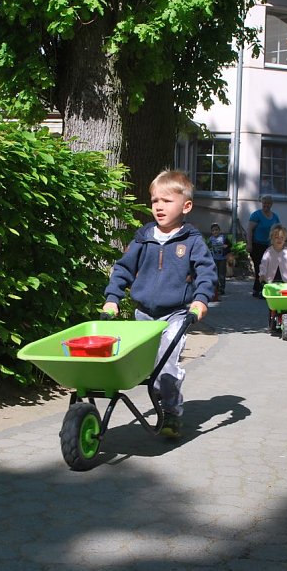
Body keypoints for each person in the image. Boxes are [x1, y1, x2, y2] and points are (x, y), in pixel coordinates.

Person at [103, 170, 216, 438]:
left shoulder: (192, 241)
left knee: (166, 364)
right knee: (148, 367)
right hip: (143, 315)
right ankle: (162, 397)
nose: (158, 207)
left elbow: (207, 273)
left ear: (186, 206)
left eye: (166, 201)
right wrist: (112, 298)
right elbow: (122, 269)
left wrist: (200, 301)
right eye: (155, 201)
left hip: (176, 315)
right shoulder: (144, 237)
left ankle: (172, 413)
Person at [247, 194, 280, 298]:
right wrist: (249, 244)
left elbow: (278, 231)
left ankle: (258, 289)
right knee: (260, 268)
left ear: (271, 204)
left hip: (269, 246)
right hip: (257, 245)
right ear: (262, 203)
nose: (266, 205)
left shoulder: (275, 217)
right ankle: (260, 290)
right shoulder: (256, 215)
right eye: (264, 203)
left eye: (268, 203)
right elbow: (249, 230)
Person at [208, 222, 230, 295]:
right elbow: (208, 247)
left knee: (222, 274)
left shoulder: (223, 238)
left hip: (222, 259)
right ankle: (216, 288)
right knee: (215, 274)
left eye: (216, 230)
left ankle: (222, 288)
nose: (215, 232)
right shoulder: (211, 239)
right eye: (213, 230)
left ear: (219, 230)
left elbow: (229, 245)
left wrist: (226, 246)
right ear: (211, 232)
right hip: (214, 258)